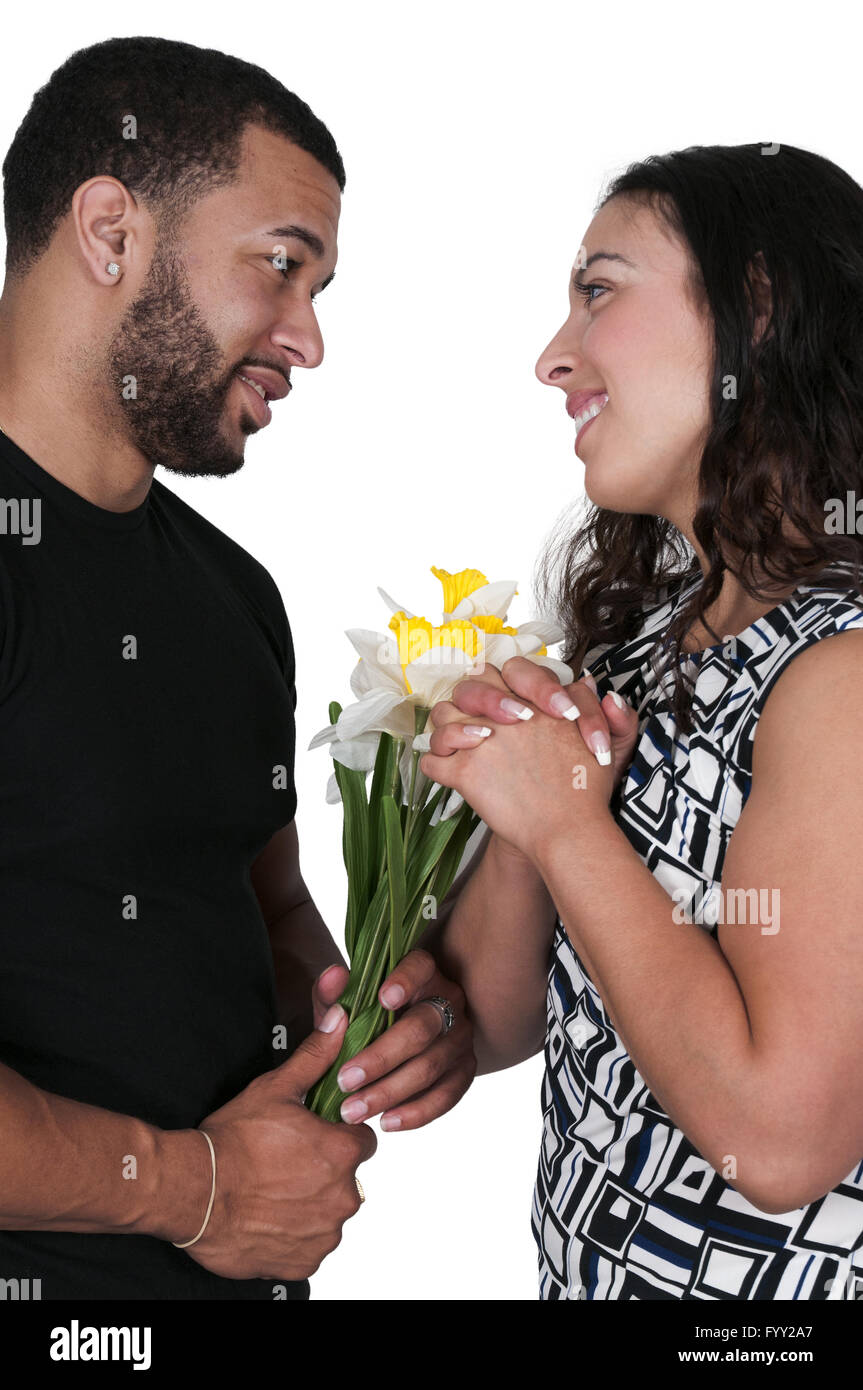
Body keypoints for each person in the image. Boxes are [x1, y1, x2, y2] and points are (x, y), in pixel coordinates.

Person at [343, 143, 863, 1300]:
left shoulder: (843, 673)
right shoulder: (647, 640)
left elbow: (779, 1144)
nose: (552, 356)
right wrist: (434, 1002)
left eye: (599, 290)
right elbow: (504, 1012)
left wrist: (568, 825)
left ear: (759, 307)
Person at [0, 35, 475, 1300]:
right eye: (280, 265)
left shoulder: (230, 596)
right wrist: (198, 1185)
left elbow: (262, 913)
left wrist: (369, 1013)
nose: (306, 339)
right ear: (112, 230)